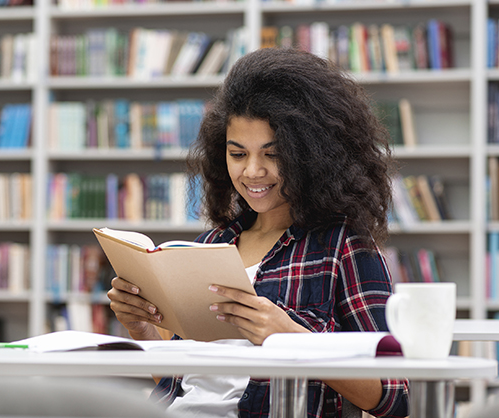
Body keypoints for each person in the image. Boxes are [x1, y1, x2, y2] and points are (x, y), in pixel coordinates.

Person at [107, 47, 409, 418]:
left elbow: (395, 395)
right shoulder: (213, 245)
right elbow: (184, 384)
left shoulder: (343, 247)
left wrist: (291, 339)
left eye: (273, 153)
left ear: (312, 155)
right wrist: (141, 329)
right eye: (238, 154)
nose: (252, 172)